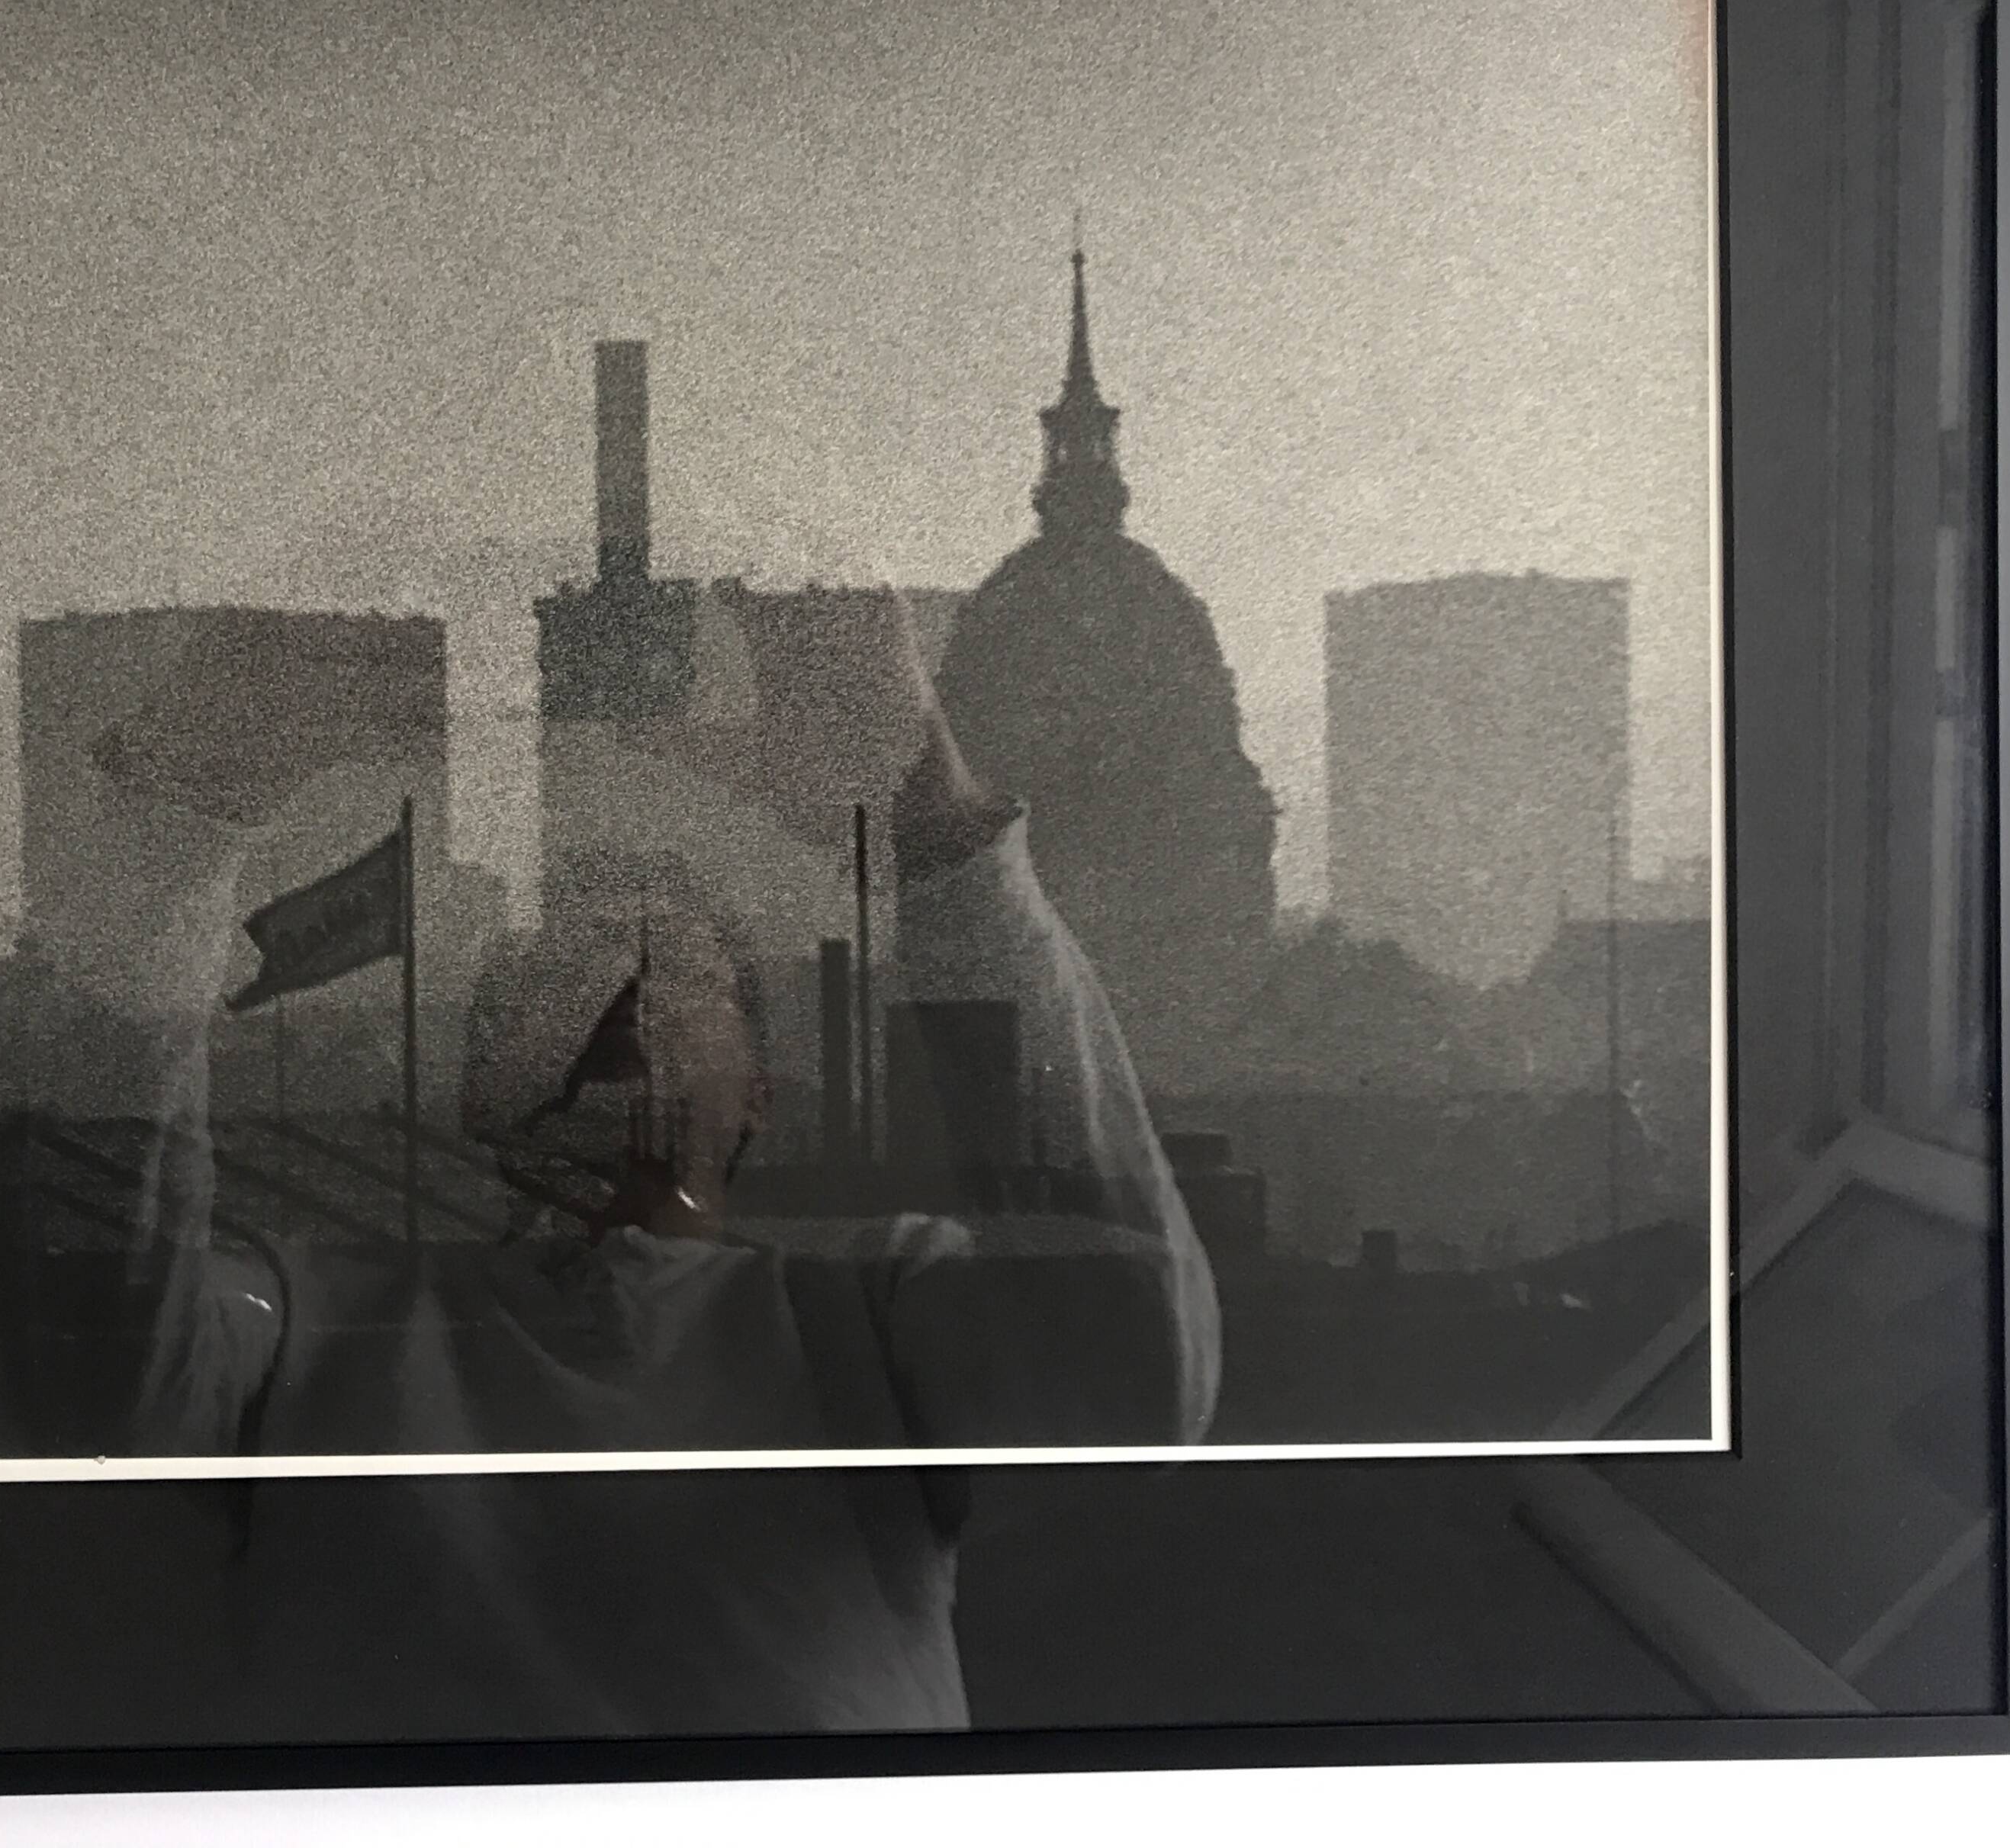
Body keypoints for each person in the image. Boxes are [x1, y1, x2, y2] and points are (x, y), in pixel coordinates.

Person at [69, 609, 1218, 1740]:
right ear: (481, 1084)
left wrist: (932, 823)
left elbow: (1126, 1369)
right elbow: (106, 1353)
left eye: (665, 963)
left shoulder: (872, 1315)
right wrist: (175, 805)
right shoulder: (304, 1322)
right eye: (556, 972)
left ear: (761, 1085)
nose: (613, 995)